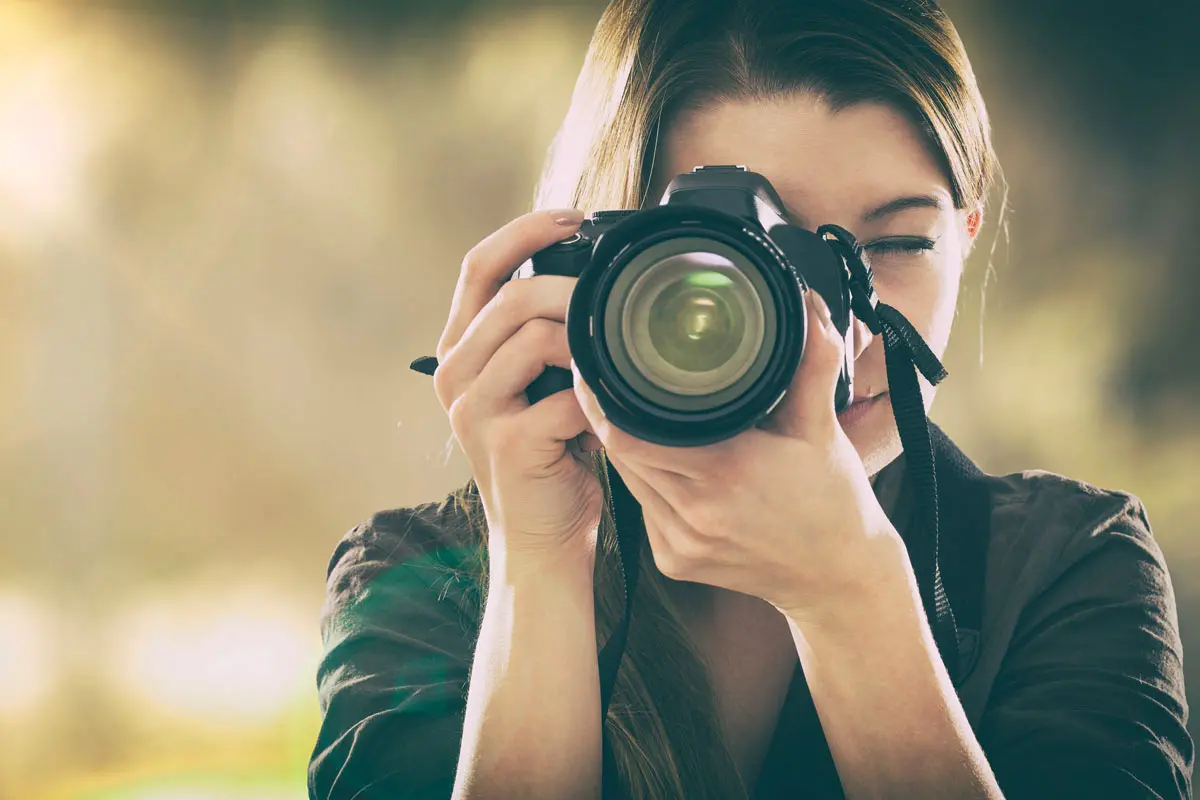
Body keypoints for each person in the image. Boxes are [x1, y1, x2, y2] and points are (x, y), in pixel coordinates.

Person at [306, 0, 1193, 797]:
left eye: (893, 247)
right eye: (744, 257)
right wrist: (538, 561)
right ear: (603, 262)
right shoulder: (420, 582)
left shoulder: (1068, 565)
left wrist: (852, 596)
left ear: (967, 234)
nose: (829, 341)